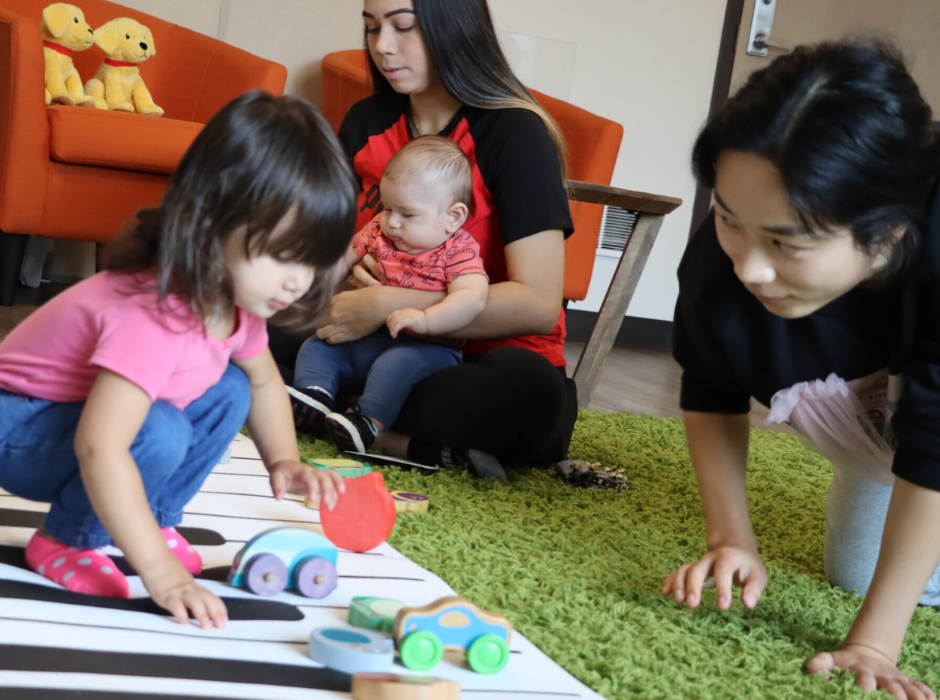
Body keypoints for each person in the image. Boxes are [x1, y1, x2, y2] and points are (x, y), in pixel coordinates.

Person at [0, 91, 356, 629]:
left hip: (67, 420)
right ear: (209, 219)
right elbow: (100, 446)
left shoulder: (236, 303)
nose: (297, 281)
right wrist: (162, 573)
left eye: (311, 262)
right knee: (159, 429)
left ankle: (156, 517)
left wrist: (283, 459)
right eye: (282, 254)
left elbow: (261, 385)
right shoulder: (153, 315)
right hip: (15, 426)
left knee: (231, 387)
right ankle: (67, 539)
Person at [665, 40, 940, 698]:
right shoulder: (732, 248)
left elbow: (936, 445)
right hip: (881, 427)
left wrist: (874, 644)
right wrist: (732, 538)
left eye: (788, 243)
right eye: (731, 220)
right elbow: (711, 390)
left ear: (889, 230)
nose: (750, 268)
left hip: (924, 418)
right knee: (855, 571)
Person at [270, 0, 577, 475]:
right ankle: (391, 433)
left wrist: (391, 303)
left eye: (404, 27)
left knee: (527, 395)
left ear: (454, 27)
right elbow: (333, 245)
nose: (382, 48)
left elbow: (538, 302)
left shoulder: (516, 133)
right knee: (246, 326)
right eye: (372, 29)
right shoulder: (366, 121)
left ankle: (327, 408)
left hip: (477, 362)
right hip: (367, 342)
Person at [289, 136, 490, 459]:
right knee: (318, 343)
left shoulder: (458, 250)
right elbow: (342, 259)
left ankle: (368, 422)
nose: (392, 222)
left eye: (408, 215)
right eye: (387, 208)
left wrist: (426, 320)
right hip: (365, 337)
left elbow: (472, 298)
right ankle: (315, 396)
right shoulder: (378, 230)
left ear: (453, 217)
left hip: (424, 348)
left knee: (396, 365)